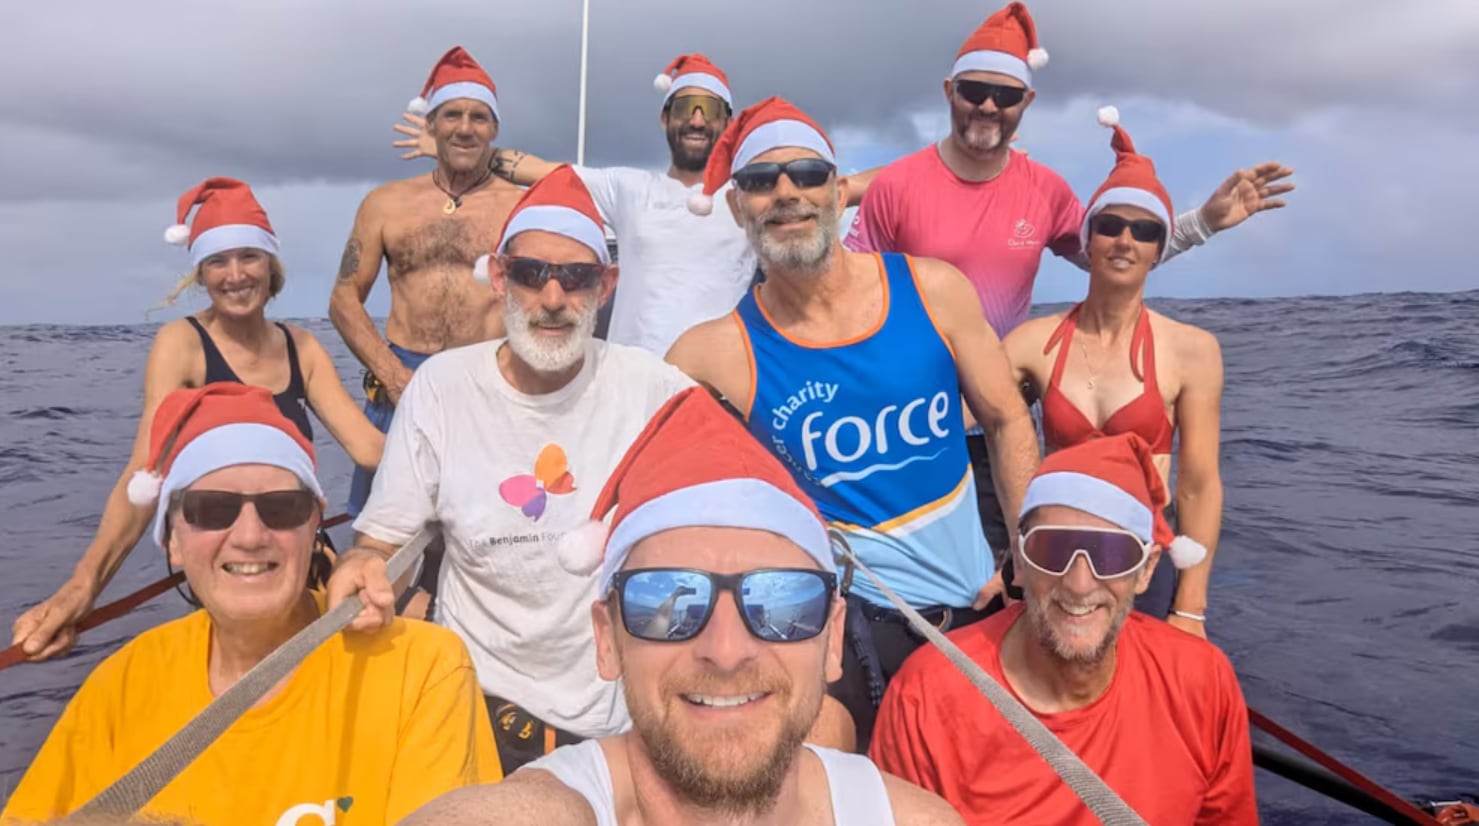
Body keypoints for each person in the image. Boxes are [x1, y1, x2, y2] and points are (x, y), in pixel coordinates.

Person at [843, 1, 1292, 555]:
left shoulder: (1046, 190)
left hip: (998, 432)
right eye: (974, 91)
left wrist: (1203, 223)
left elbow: (1113, 252)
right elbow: (845, 296)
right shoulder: (896, 186)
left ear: (1026, 103)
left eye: (1005, 95)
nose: (988, 105)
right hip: (905, 432)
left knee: (1007, 589)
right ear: (948, 92)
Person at [401, 386, 965, 825]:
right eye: (667, 602)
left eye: (779, 601)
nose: (725, 651)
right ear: (607, 639)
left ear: (833, 636)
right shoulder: (556, 807)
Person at [664, 97, 1040, 752]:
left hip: (978, 611)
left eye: (806, 175)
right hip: (847, 632)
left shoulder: (933, 290)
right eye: (758, 181)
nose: (785, 194)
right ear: (735, 207)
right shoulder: (711, 353)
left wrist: (1028, 565)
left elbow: (1006, 421)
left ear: (838, 193)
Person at [325, 165, 697, 774]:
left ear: (607, 286)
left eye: (576, 279)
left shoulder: (652, 387)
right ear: (498, 276)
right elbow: (382, 542)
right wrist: (363, 566)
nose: (553, 299)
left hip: (622, 719)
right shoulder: (441, 389)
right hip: (478, 706)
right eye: (530, 275)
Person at [0, 383, 500, 826]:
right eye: (212, 510)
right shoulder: (122, 686)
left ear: (314, 529)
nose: (250, 536)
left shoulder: (420, 670)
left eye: (282, 509)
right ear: (172, 540)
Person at [10, 177, 383, 663]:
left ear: (271, 266)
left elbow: (370, 450)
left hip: (295, 550)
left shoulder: (302, 348)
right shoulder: (181, 344)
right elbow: (145, 471)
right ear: (200, 275)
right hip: (229, 552)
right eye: (217, 261)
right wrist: (83, 587)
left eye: (249, 256)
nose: (235, 274)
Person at [870, 433, 1257, 825]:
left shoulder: (1201, 681)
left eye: (1111, 555)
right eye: (1053, 549)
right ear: (1019, 563)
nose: (1079, 584)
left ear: (1147, 570)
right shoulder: (928, 696)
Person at [391, 53, 881, 356]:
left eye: (709, 110)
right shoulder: (628, 188)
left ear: (727, 124)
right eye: (683, 107)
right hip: (631, 385)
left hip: (723, 380)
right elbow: (538, 170)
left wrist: (954, 156)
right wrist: (457, 148)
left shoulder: (757, 197)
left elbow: (880, 182)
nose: (695, 119)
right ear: (664, 117)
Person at [1004, 107, 1224, 634]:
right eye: (1110, 225)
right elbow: (963, 417)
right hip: (1053, 556)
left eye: (1145, 231)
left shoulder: (1192, 350)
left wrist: (1190, 609)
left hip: (1139, 560)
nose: (1126, 241)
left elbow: (1197, 486)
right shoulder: (1032, 342)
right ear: (1088, 239)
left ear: (1158, 250)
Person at [330, 45, 525, 520]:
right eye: (452, 114)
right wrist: (395, 377)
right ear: (431, 124)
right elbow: (343, 299)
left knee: (490, 529)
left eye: (479, 117)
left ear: (494, 130)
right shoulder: (386, 203)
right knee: (382, 530)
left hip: (489, 383)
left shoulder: (521, 205)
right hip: (401, 382)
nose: (464, 127)